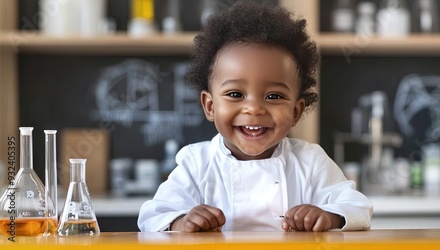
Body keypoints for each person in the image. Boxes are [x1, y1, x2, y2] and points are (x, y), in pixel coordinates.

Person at [138, 1, 372, 232]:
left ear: (295, 112)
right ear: (209, 106)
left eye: (273, 96)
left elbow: (358, 208)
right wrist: (181, 221)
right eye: (235, 94)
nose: (254, 108)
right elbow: (152, 217)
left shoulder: (310, 162)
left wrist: (328, 216)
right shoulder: (196, 164)